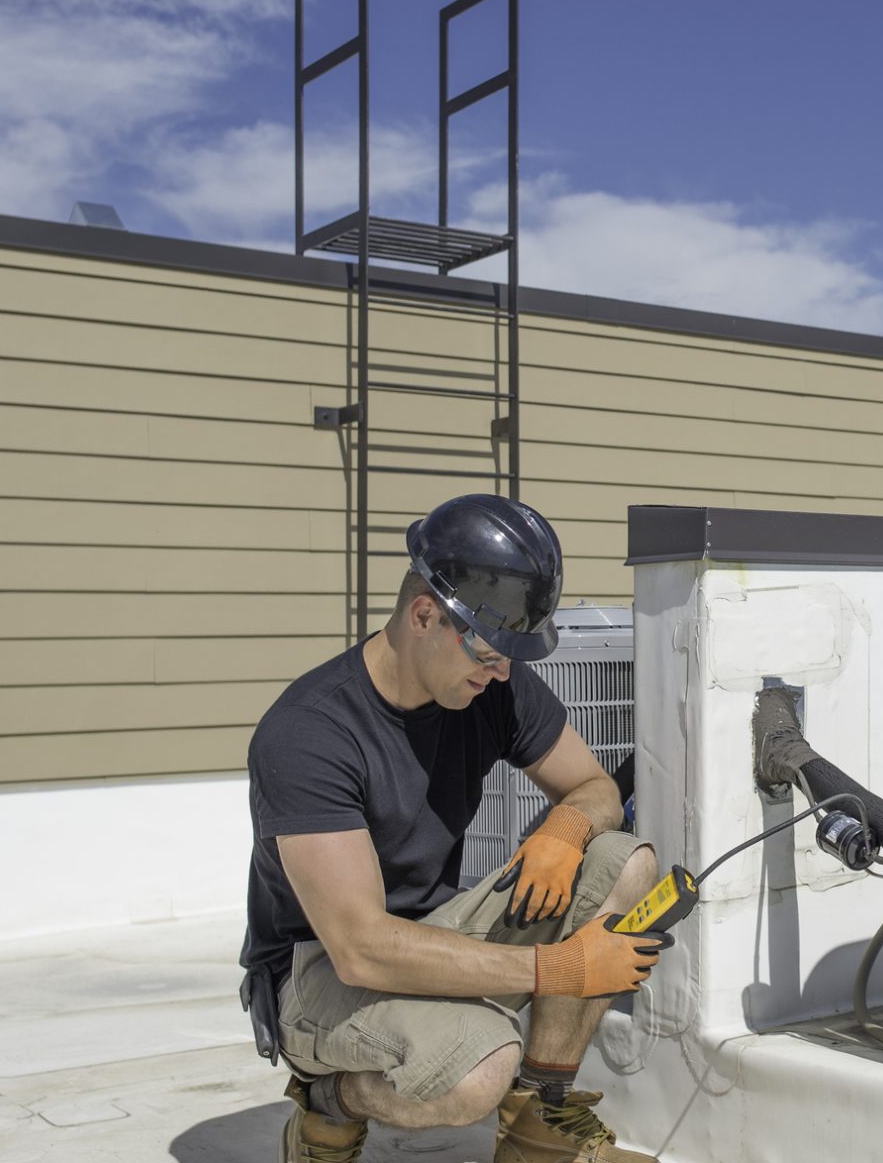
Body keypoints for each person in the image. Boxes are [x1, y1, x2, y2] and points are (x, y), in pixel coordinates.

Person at [239, 494, 669, 1163]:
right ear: (423, 616)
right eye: (493, 651)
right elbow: (360, 949)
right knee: (477, 1070)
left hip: (429, 928)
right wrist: (556, 967)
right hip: (317, 971)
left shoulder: (493, 685)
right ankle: (327, 1106)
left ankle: (537, 1129)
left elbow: (596, 789)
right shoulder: (309, 734)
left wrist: (566, 827)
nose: (503, 671)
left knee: (621, 860)